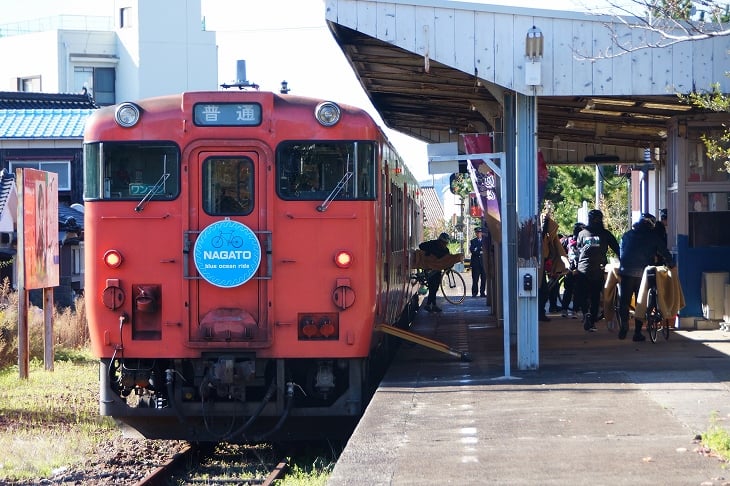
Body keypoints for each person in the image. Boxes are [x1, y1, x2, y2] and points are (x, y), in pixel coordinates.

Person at [618, 213, 675, 341]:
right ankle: (637, 333)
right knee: (641, 302)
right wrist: (671, 264)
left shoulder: (627, 235)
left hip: (626, 271)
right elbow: (664, 251)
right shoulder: (653, 237)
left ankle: (624, 324)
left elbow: (622, 252)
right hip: (642, 273)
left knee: (624, 301)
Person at [574, 209, 620, 332]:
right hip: (598, 268)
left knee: (583, 293)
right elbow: (617, 248)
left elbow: (578, 249)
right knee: (595, 295)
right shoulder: (606, 234)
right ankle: (593, 320)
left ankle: (585, 313)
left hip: (583, 268)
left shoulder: (582, 233)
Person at [539, 213, 568, 322]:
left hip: (543, 263)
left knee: (544, 289)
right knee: (544, 290)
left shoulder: (545, 234)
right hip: (539, 263)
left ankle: (541, 311)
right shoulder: (544, 234)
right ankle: (540, 312)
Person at [419, 232, 452, 313]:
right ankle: (430, 305)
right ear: (440, 241)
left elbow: (447, 261)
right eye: (444, 242)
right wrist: (428, 253)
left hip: (437, 271)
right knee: (432, 288)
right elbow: (421, 246)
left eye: (446, 243)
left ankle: (431, 305)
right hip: (429, 270)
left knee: (435, 288)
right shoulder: (431, 244)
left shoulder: (445, 250)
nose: (445, 244)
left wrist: (447, 269)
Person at [560, 222, 584, 318]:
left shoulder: (568, 240)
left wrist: (566, 264)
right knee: (576, 290)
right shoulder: (583, 239)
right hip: (577, 269)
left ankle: (566, 310)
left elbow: (561, 253)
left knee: (569, 290)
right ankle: (574, 310)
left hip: (572, 268)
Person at [469, 227, 487, 297]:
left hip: (483, 263)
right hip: (476, 264)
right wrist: (479, 250)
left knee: (483, 279)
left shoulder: (485, 241)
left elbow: (485, 251)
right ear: (476, 233)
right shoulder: (473, 241)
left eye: (479, 232)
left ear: (481, 233)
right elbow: (473, 251)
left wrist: (478, 250)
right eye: (477, 232)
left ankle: (482, 292)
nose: (478, 234)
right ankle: (474, 292)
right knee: (475, 279)